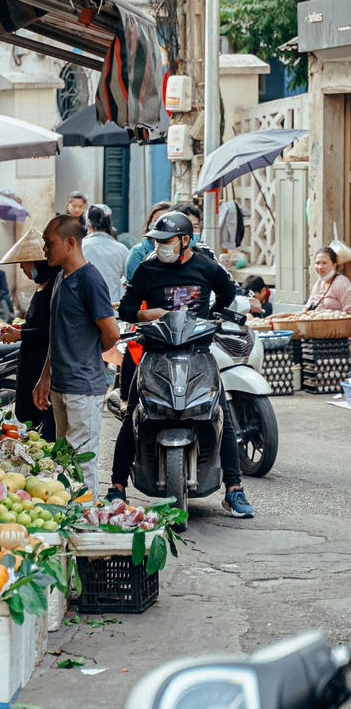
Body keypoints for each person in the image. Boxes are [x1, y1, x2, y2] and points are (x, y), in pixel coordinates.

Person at [110, 210, 255, 518]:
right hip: (156, 351)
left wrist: (212, 316)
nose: (160, 246)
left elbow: (227, 293)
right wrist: (148, 315)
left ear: (185, 241)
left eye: (167, 241)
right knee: (133, 415)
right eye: (157, 241)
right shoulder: (147, 270)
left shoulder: (206, 266)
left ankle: (234, 490)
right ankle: (118, 487)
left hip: (199, 351)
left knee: (221, 415)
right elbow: (127, 309)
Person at [33, 215, 119, 499]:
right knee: (64, 461)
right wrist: (45, 377)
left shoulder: (90, 280)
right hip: (60, 385)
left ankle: (84, 522)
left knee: (82, 465)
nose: (45, 250)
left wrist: (87, 353)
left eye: (49, 243)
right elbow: (57, 334)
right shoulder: (60, 278)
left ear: (70, 243)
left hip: (83, 388)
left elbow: (111, 333)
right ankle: (68, 518)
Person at [0, 229, 59, 440]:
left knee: (42, 418)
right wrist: (20, 330)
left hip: (44, 364)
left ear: (37, 262)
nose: (22, 269)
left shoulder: (54, 287)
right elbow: (37, 323)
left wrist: (21, 335)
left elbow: (53, 329)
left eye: (24, 264)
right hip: (30, 361)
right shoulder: (41, 286)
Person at [81, 204, 130, 303]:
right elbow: (130, 279)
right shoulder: (121, 249)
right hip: (113, 310)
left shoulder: (80, 247)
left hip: (85, 311)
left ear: (88, 225)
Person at [125, 200, 173, 282]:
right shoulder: (138, 252)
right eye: (157, 220)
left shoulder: (179, 250)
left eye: (166, 221)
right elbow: (133, 284)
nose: (161, 224)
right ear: (149, 224)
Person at [305, 247, 351, 312]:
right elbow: (306, 309)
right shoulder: (319, 283)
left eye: (324, 263)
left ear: (334, 265)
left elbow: (349, 311)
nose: (320, 267)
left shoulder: (341, 283)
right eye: (317, 263)